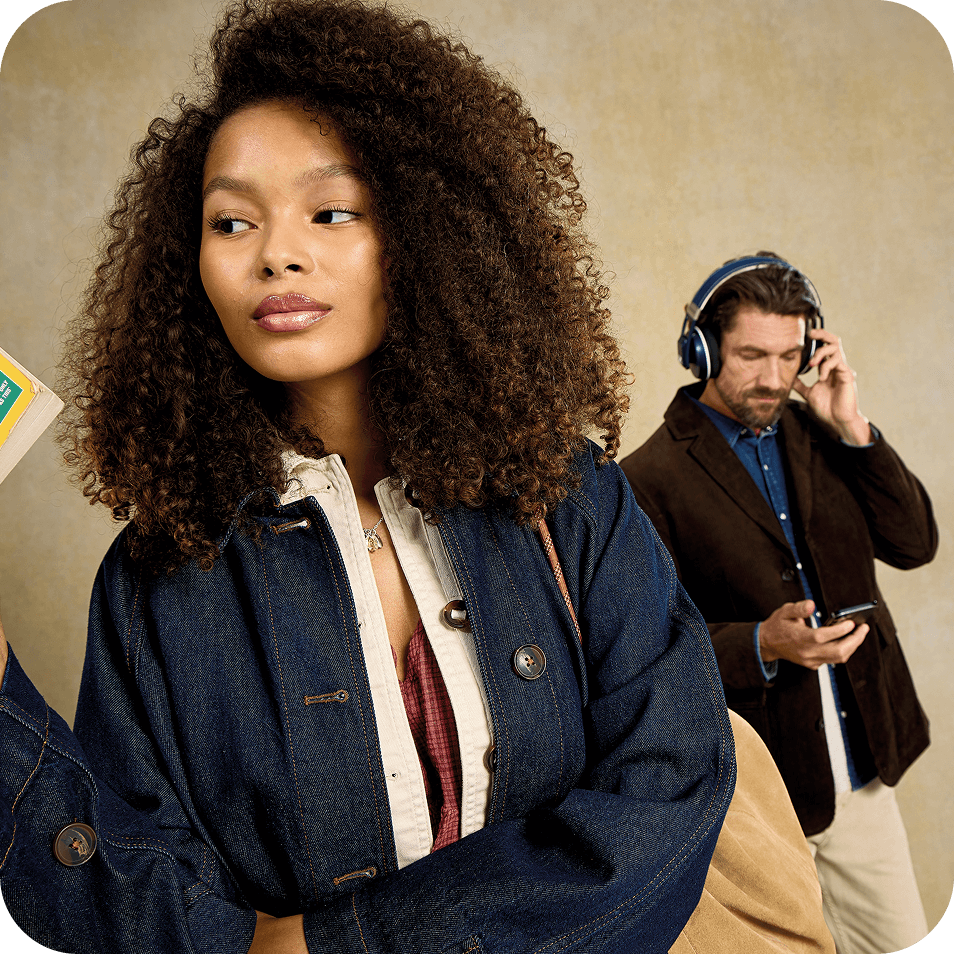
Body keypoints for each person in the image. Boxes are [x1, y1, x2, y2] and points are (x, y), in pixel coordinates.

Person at [0, 1, 738, 950]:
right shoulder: (154, 579)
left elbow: (670, 788)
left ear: (427, 233)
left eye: (330, 211)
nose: (276, 253)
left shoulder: (570, 498)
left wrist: (327, 943)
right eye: (232, 222)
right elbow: (143, 906)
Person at [620, 252, 937, 954]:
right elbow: (638, 650)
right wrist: (762, 644)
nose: (773, 378)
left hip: (859, 770)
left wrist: (853, 427)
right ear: (701, 351)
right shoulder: (644, 479)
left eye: (790, 355)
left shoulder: (830, 434)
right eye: (751, 355)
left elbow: (915, 543)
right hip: (749, 802)